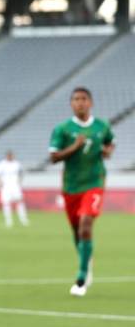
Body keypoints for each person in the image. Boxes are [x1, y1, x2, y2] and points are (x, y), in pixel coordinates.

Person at [49, 87, 114, 297]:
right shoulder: (63, 129)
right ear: (71, 104)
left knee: (86, 224)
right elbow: (54, 157)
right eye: (76, 99)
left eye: (83, 99)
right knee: (77, 231)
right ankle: (86, 260)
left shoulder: (102, 126)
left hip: (94, 183)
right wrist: (75, 146)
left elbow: (110, 143)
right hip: (71, 186)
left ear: (90, 102)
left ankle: (81, 276)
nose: (80, 102)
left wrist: (107, 151)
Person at [0, 151, 29, 227]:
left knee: (19, 201)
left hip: (15, 186)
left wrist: (20, 180)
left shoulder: (16, 164)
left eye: (12, 155)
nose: (11, 157)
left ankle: (23, 220)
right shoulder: (2, 164)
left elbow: (22, 173)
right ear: (7, 156)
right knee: (6, 203)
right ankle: (8, 221)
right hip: (5, 186)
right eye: (9, 155)